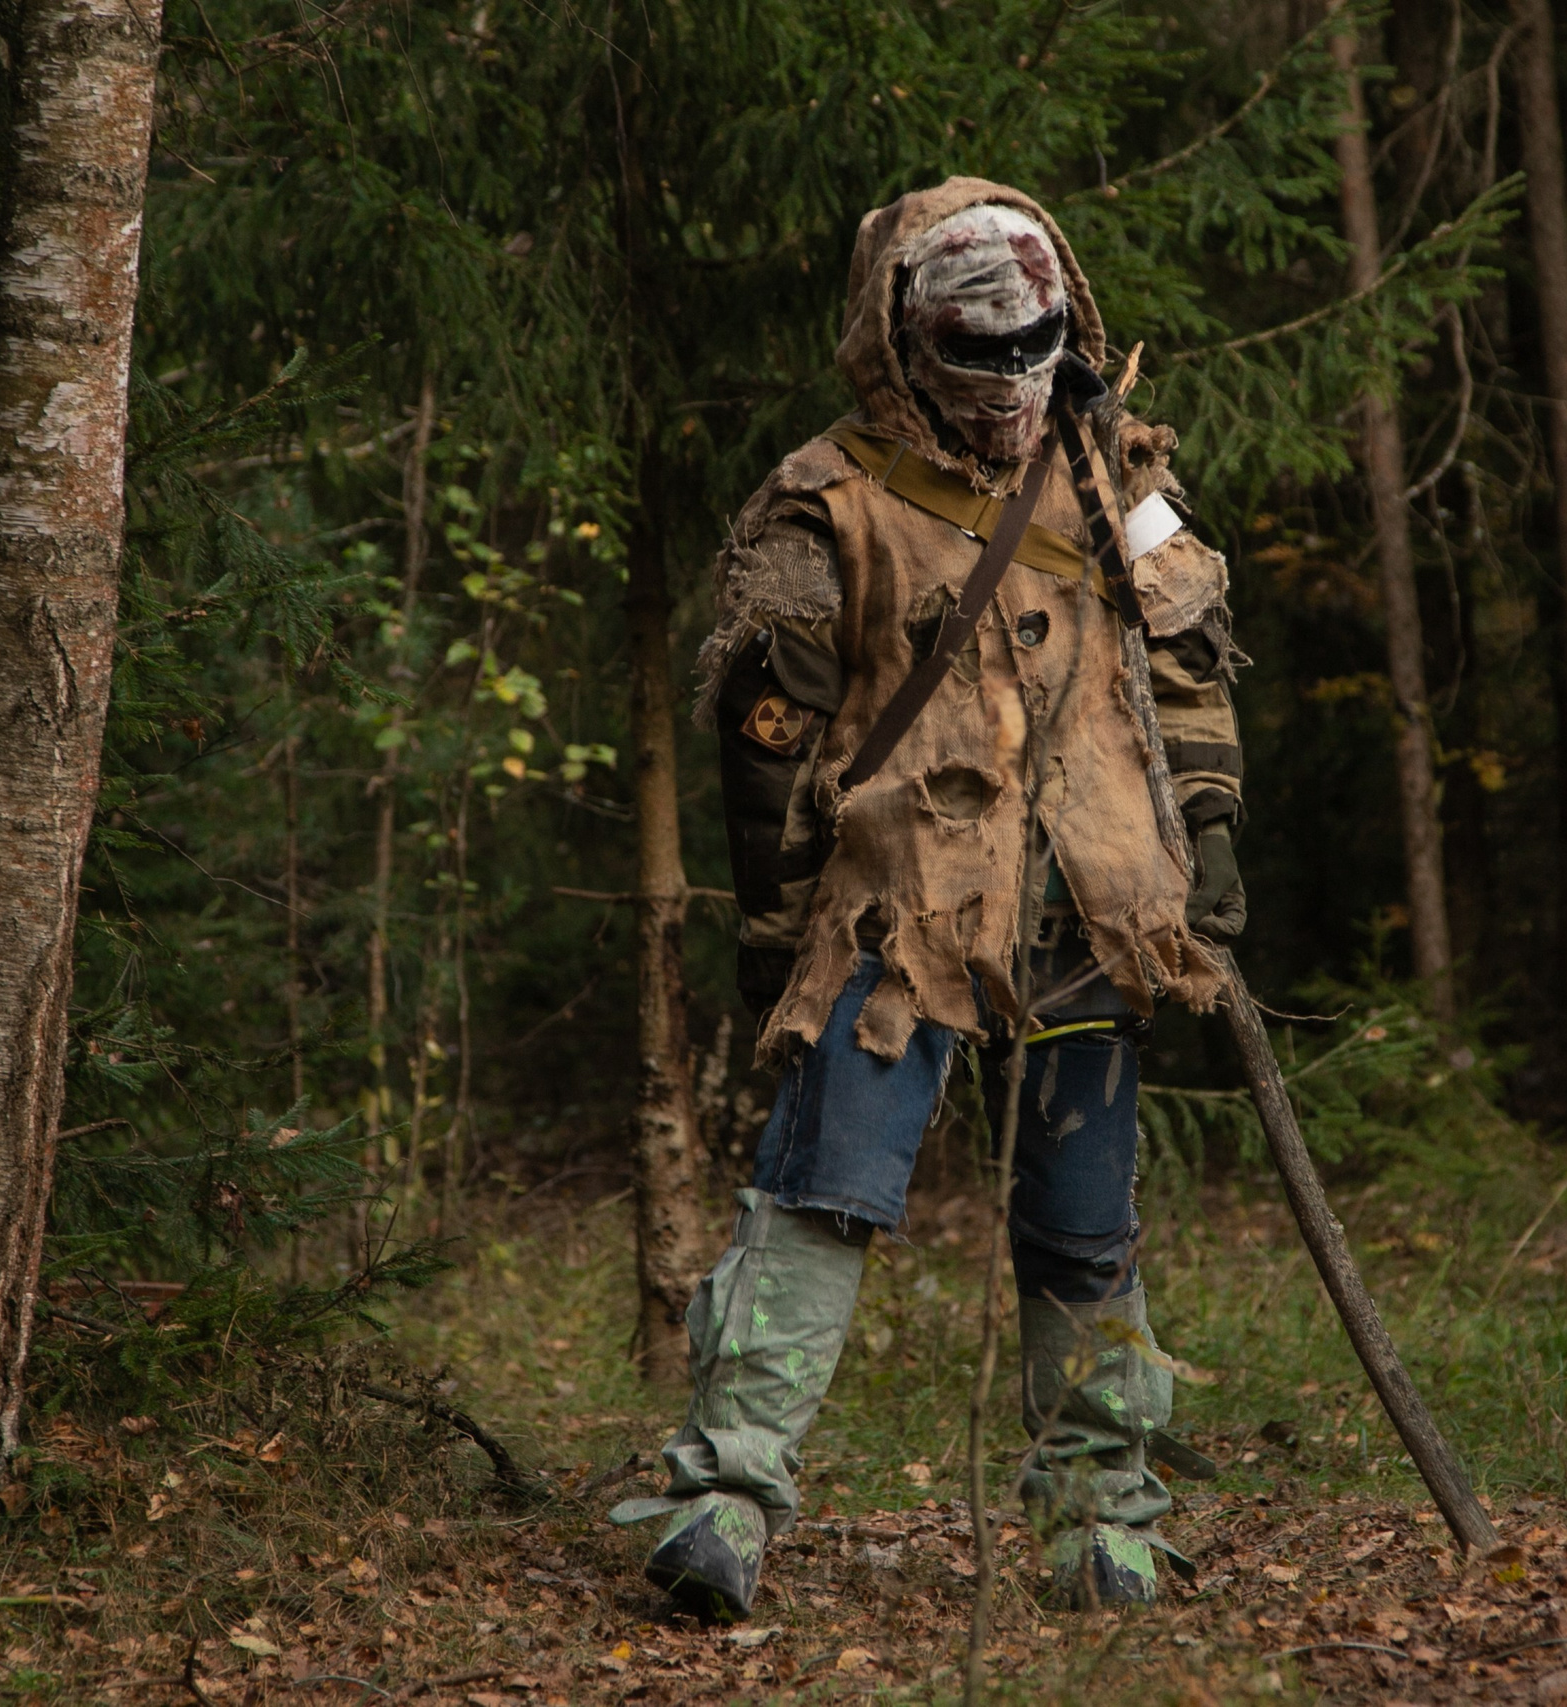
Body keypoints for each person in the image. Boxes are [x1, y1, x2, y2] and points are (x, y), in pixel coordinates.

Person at [608, 177, 1247, 1620]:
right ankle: (724, 1499)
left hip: (1091, 906)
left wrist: (1204, 842)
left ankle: (1102, 1519)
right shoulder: (819, 500)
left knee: (1085, 1223)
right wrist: (778, 935)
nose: (1012, 386)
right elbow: (766, 742)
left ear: (1063, 329)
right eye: (979, 355)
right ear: (906, 342)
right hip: (897, 916)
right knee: (819, 1197)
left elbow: (1191, 665)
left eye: (1034, 352)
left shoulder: (1113, 477)